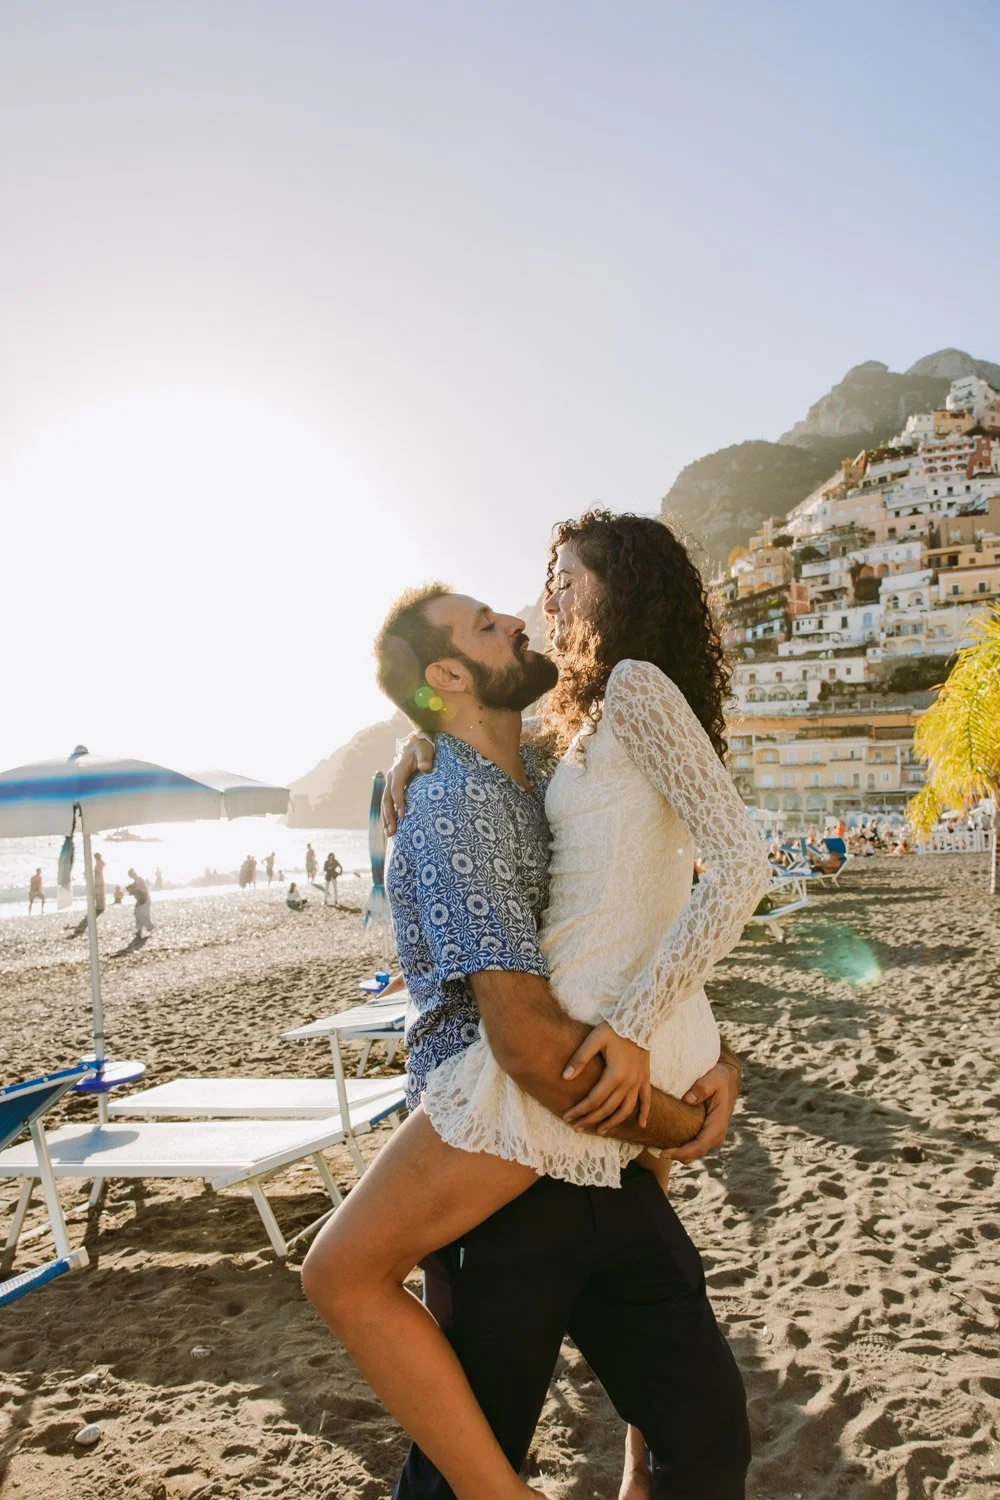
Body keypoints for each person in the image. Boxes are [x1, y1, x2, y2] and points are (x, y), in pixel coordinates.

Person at [303, 512, 770, 1500]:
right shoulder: (485, 788)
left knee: (698, 1430)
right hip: (517, 1132)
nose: (532, 609)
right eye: (494, 619)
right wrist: (685, 1112)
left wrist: (688, 1049)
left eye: (559, 581)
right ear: (451, 679)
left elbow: (649, 895)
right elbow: (527, 1033)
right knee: (476, 1442)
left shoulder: (583, 737)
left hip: (593, 1126)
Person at [126, 868, 153, 937]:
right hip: (140, 900)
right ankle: (139, 930)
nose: (131, 876)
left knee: (143, 914)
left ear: (133, 874)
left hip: (144, 899)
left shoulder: (139, 879)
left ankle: (149, 928)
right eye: (130, 875)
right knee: (137, 914)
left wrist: (131, 889)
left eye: (131, 874)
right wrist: (130, 889)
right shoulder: (136, 880)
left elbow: (139, 888)